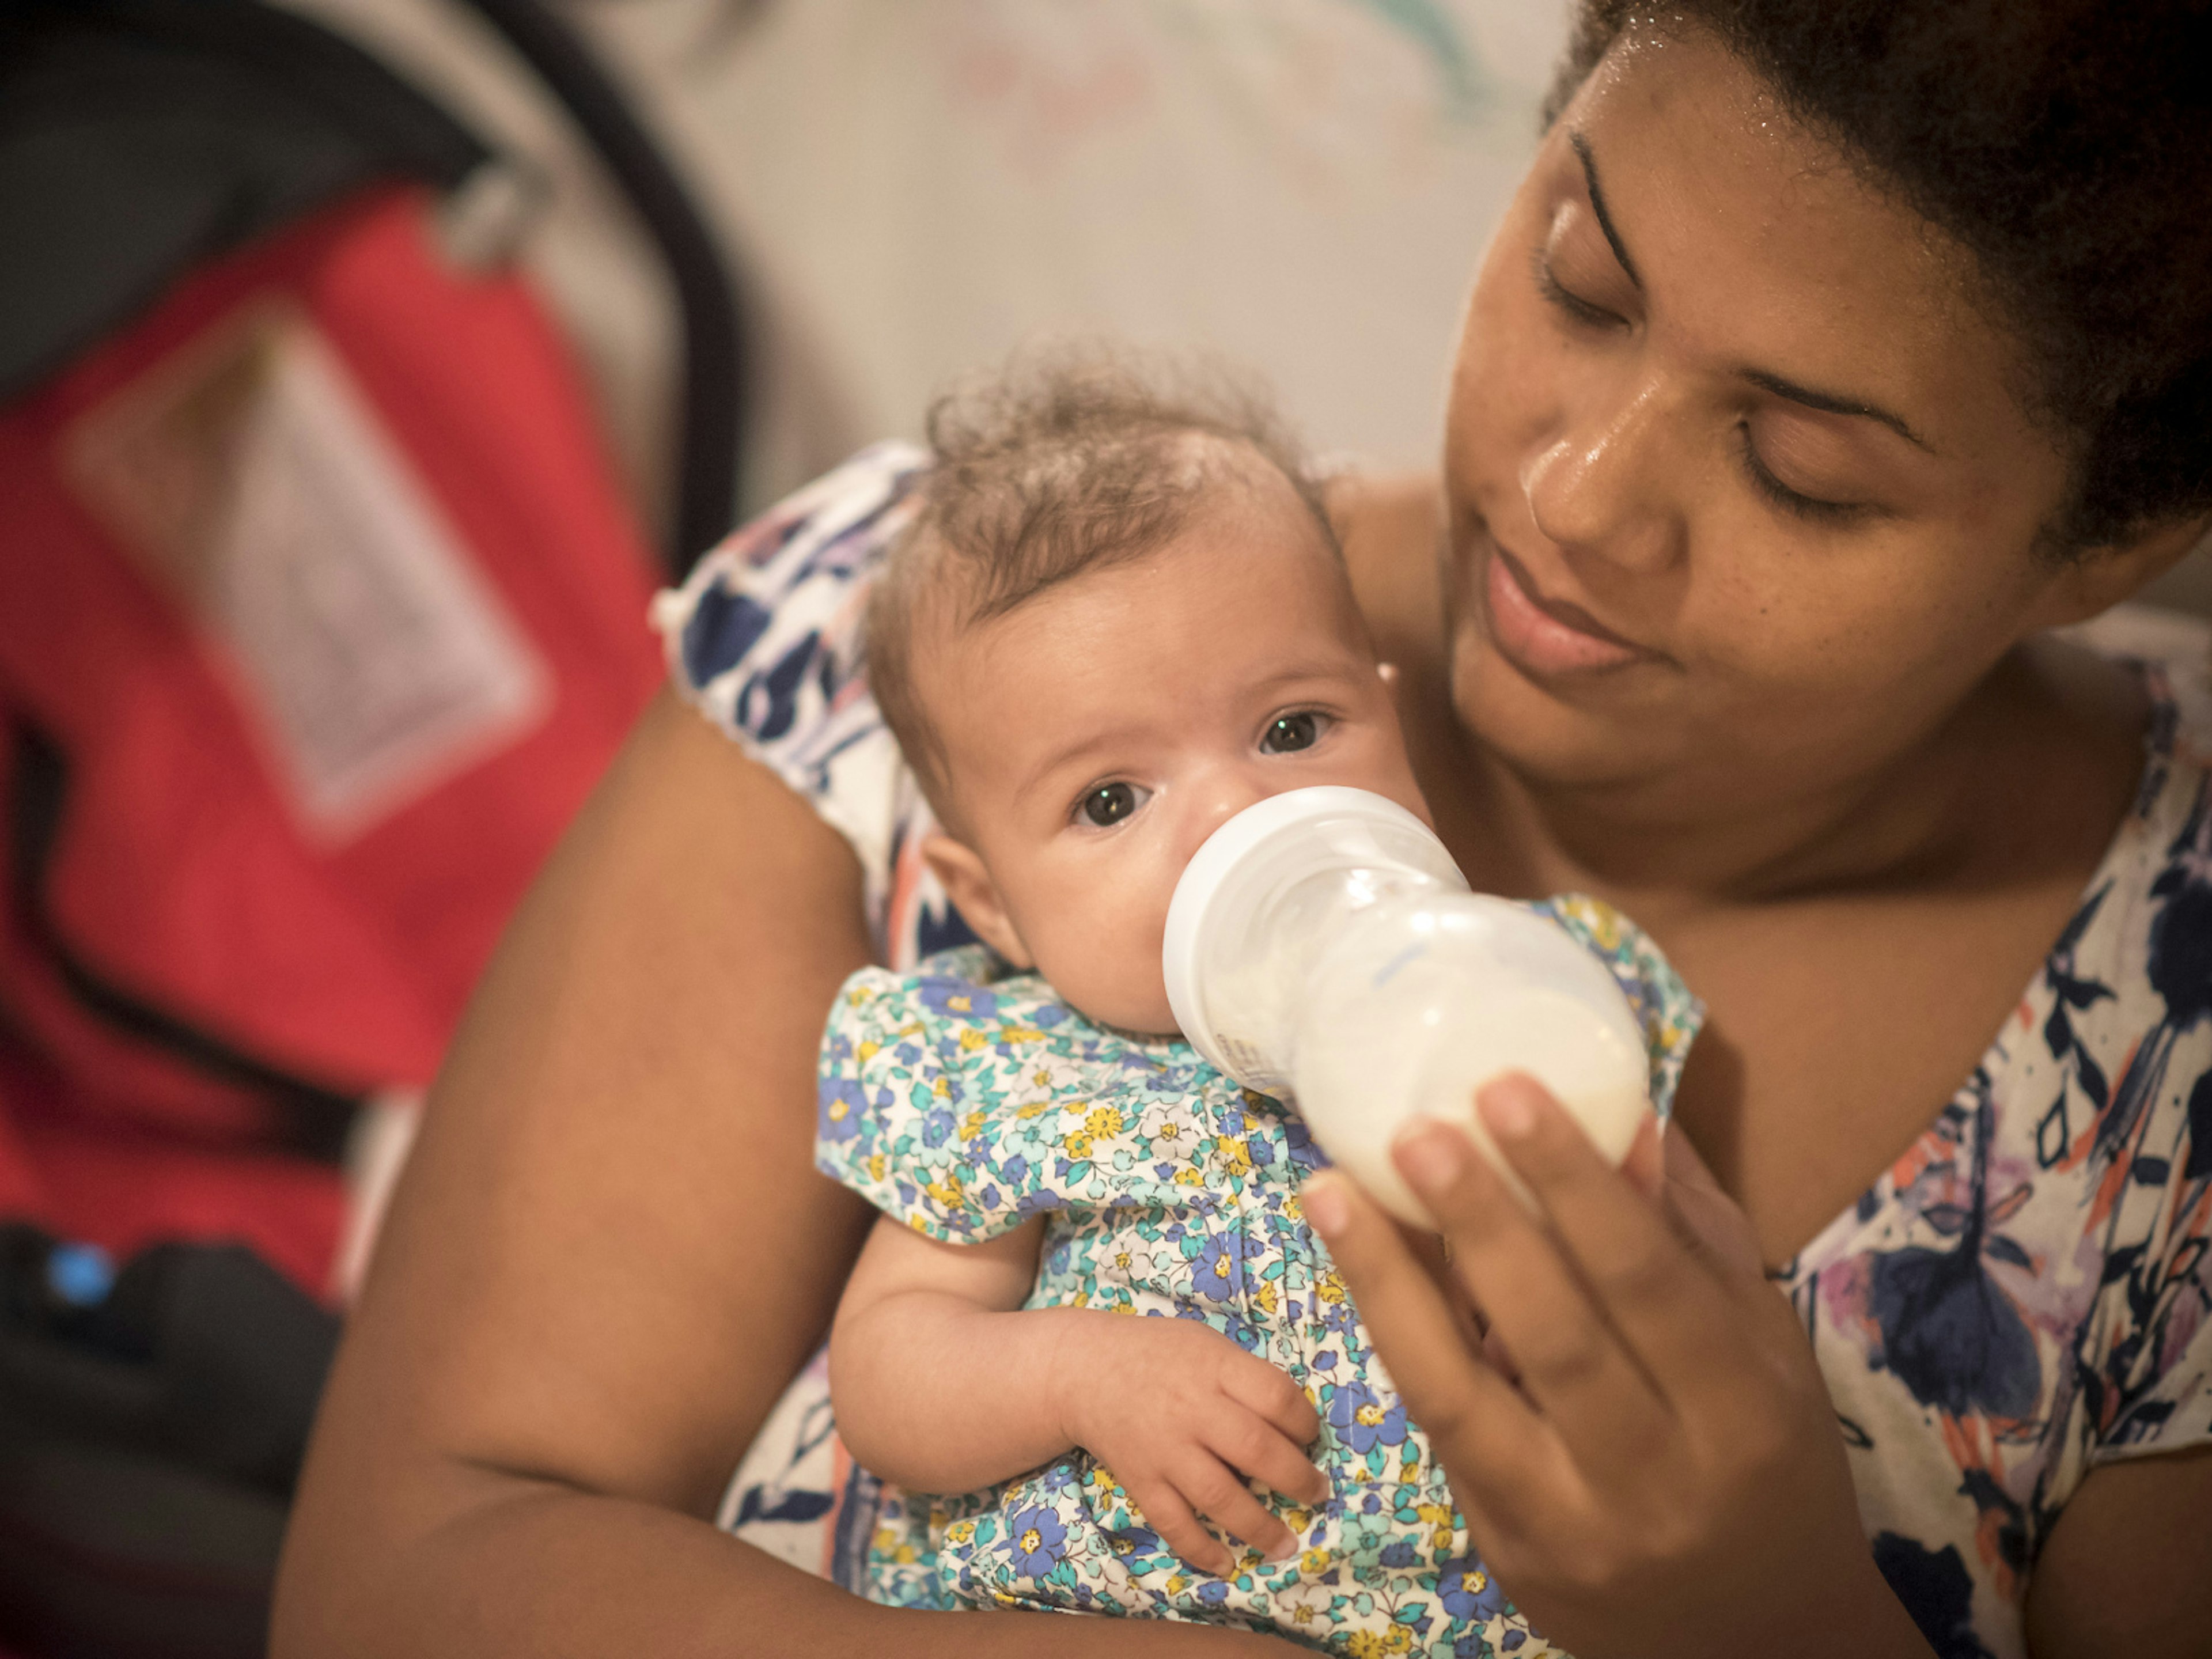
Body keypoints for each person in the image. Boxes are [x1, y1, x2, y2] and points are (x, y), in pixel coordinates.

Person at [271, 3, 2212, 1657]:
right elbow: (408, 1579)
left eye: (1802, 473)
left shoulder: (2167, 1040)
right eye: (1579, 282)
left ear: (2112, 550)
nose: (1577, 498)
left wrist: (1776, 1617)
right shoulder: (963, 654)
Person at [809, 361, 1699, 1652]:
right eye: (1111, 800)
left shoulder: (1510, 985)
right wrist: (1073, 1371)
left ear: (1386, 723)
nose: (1241, 813)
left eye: (1293, 729)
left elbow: (1663, 1271)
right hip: (1084, 1613)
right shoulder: (1003, 1066)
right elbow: (890, 1369)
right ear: (990, 903)